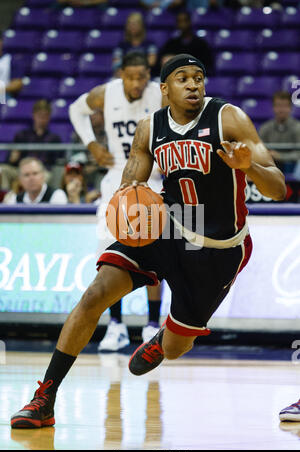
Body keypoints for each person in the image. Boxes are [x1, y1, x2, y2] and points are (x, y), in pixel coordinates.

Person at [10, 53, 286, 429]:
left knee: (176, 348)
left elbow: (279, 186)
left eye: (198, 78)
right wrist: (128, 198)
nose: (193, 84)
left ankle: (163, 336)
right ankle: (45, 397)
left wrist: (248, 167)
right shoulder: (149, 127)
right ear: (164, 90)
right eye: (183, 78)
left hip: (220, 247)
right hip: (170, 224)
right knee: (95, 295)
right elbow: (133, 182)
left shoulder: (228, 118)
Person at [68, 51, 166, 351]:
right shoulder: (105, 93)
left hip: (152, 177)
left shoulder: (159, 94)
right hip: (116, 178)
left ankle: (151, 325)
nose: (138, 83)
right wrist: (92, 144)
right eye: (133, 76)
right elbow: (75, 109)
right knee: (109, 253)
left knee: (156, 254)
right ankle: (116, 325)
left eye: (143, 76)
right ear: (121, 73)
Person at [0, 99, 63, 191]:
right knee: (3, 170)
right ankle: (5, 197)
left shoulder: (54, 138)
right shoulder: (21, 135)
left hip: (43, 171)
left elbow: (57, 161)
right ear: (33, 115)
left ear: (49, 117)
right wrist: (12, 158)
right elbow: (10, 160)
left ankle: (39, 200)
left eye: (45, 116)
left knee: (44, 176)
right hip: (21, 170)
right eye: (39, 115)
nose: (42, 119)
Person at [155, 10, 214, 77]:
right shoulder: (171, 44)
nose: (183, 24)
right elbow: (161, 64)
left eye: (185, 21)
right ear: (176, 24)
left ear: (190, 22)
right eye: (179, 21)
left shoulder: (201, 44)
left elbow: (208, 66)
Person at [259, 91, 300, 178]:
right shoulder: (265, 128)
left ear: (290, 108)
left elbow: (299, 154)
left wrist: (280, 156)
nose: (281, 110)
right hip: (271, 165)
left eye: (285, 106)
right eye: (278, 106)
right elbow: (259, 151)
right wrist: (269, 155)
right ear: (273, 108)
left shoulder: (298, 127)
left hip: (293, 166)